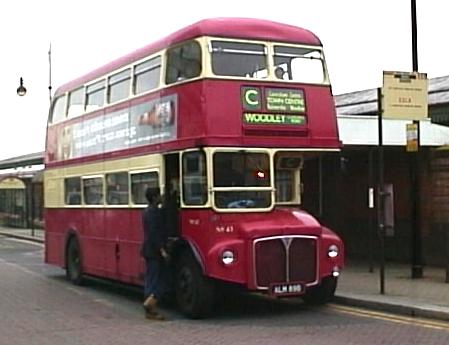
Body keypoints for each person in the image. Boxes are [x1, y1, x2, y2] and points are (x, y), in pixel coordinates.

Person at [141, 186, 169, 320]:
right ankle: (150, 305)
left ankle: (150, 307)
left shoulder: (148, 211)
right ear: (154, 198)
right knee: (157, 279)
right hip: (153, 251)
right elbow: (154, 233)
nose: (161, 197)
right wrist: (162, 250)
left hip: (149, 250)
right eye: (159, 195)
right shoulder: (152, 213)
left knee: (151, 278)